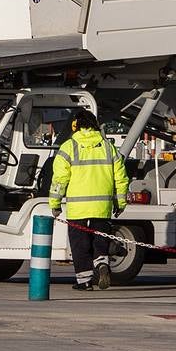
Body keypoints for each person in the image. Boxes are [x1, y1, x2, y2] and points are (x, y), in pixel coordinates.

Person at [49, 111, 129, 290]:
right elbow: (121, 178)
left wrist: (55, 204)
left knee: (80, 244)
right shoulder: (109, 147)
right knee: (100, 240)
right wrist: (120, 203)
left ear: (75, 126)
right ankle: (102, 264)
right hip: (102, 206)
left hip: (78, 208)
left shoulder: (68, 147)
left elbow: (60, 180)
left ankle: (84, 281)